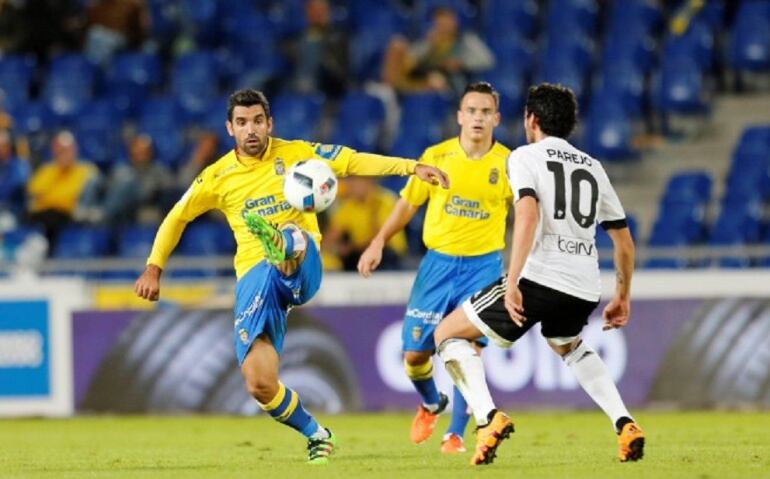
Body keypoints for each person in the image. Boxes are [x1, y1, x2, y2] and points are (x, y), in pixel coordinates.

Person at [134, 88, 448, 464]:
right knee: (259, 383)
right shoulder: (217, 176)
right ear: (229, 128)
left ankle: (281, 243)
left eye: (257, 121)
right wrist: (154, 266)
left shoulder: (299, 153)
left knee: (291, 238)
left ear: (270, 124)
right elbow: (177, 215)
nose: (250, 129)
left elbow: (351, 160)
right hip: (254, 278)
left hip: (303, 263)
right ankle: (317, 434)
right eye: (241, 122)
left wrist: (411, 167)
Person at [433, 83, 644, 465]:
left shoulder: (524, 157)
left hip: (540, 277)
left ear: (531, 119)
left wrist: (511, 281)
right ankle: (624, 422)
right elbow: (624, 243)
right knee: (569, 345)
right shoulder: (593, 167)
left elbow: (527, 214)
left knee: (447, 334)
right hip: (583, 285)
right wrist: (623, 296)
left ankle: (487, 419)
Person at [358, 82, 511, 453]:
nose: (478, 118)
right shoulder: (437, 157)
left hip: (483, 267)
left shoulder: (509, 163)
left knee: (466, 348)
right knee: (414, 356)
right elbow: (407, 204)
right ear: (460, 116)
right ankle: (431, 402)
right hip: (438, 265)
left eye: (485, 112)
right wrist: (378, 241)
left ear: (496, 118)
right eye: (471, 111)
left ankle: (456, 434)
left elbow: (526, 212)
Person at [381, 7, 494, 95]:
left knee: (441, 81)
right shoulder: (431, 39)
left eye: (447, 18)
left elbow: (486, 60)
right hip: (428, 77)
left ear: (454, 21)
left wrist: (461, 63)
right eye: (439, 19)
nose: (443, 23)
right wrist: (428, 44)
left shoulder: (466, 39)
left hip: (457, 81)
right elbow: (413, 61)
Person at [25, 130, 100, 247]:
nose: (63, 154)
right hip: (43, 216)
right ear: (54, 150)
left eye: (66, 150)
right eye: (59, 150)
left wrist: (51, 199)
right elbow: (34, 194)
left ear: (74, 150)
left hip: (70, 217)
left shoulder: (86, 170)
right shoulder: (46, 170)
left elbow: (74, 199)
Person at [323, 176, 407, 271]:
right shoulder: (349, 205)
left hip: (389, 256)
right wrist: (337, 248)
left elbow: (380, 239)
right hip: (358, 254)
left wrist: (349, 249)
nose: (350, 186)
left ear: (368, 181)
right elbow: (329, 239)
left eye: (354, 181)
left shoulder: (385, 200)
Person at [101, 134, 175, 225]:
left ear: (151, 152)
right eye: (138, 151)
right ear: (130, 152)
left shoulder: (160, 171)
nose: (141, 155)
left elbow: (170, 190)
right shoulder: (120, 171)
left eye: (144, 151)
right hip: (122, 215)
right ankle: (103, 217)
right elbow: (112, 195)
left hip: (150, 209)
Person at [286, 0, 349, 98]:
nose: (317, 14)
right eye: (313, 10)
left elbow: (339, 69)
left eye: (321, 10)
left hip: (327, 84)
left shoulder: (337, 36)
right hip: (296, 84)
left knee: (313, 45)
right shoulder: (297, 37)